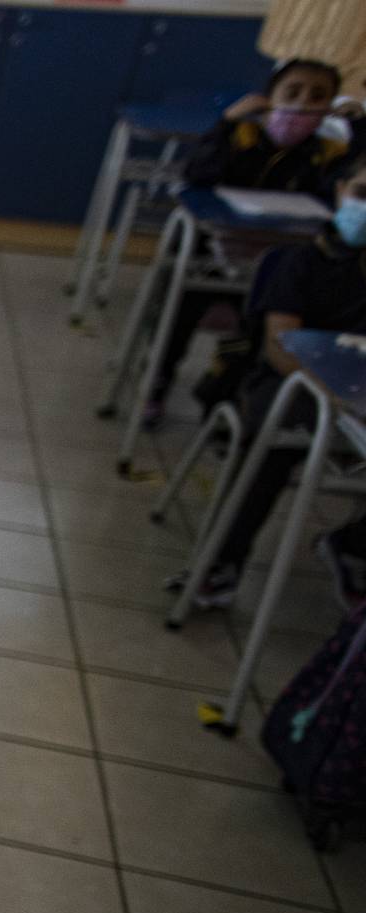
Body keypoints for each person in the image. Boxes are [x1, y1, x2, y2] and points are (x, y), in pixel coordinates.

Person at [169, 160, 366, 613]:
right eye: (362, 192)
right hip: (293, 383)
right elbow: (281, 348)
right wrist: (332, 398)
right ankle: (222, 560)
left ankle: (353, 546)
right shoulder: (302, 261)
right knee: (276, 442)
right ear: (340, 192)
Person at [144, 58, 362, 427]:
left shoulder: (327, 152)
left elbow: (347, 190)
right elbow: (198, 174)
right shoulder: (243, 136)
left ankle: (222, 397)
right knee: (182, 312)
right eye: (292, 93)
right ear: (269, 96)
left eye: (317, 97)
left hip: (281, 268)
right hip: (214, 253)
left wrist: (358, 129)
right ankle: (158, 382)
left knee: (253, 335)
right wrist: (227, 124)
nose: (302, 104)